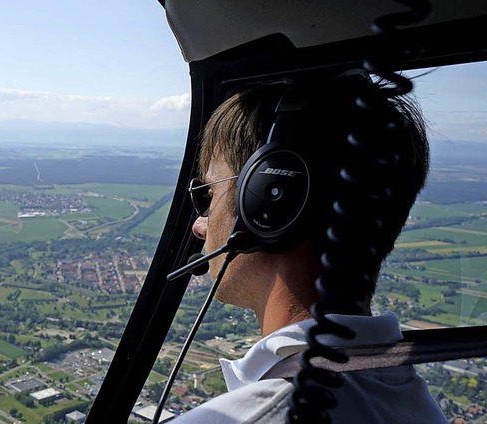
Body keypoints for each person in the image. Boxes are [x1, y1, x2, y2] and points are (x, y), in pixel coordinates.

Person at [171, 75, 447, 423]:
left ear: (275, 195)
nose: (199, 225)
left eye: (207, 195)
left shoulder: (247, 418)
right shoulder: (412, 401)